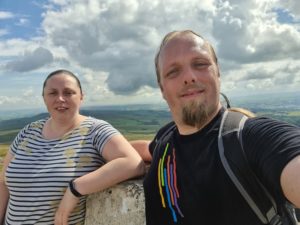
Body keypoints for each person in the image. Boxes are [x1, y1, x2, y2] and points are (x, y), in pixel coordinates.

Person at [136, 30, 300, 225]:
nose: (189, 77)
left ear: (218, 72)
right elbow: (144, 148)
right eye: (173, 71)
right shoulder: (165, 140)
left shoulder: (249, 138)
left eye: (200, 64)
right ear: (162, 88)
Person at [0, 69, 145, 225]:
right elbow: (3, 183)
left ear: (81, 97)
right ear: (44, 98)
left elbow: (133, 162)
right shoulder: (28, 131)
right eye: (53, 93)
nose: (60, 98)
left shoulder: (95, 131)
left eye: (68, 93)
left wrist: (75, 189)